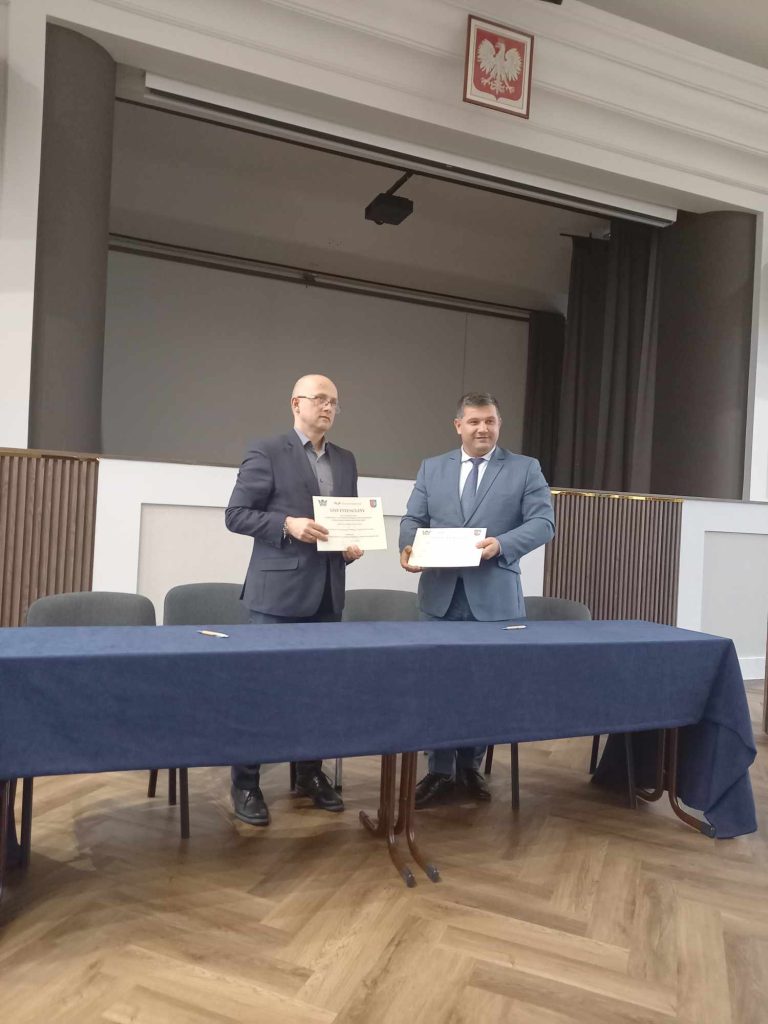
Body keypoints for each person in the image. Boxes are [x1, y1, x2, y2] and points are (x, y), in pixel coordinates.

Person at [399, 391, 555, 808]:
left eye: (490, 421)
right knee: (437, 685)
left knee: (486, 686)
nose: (482, 428)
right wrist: (408, 547)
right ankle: (439, 770)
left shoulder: (525, 468)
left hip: (495, 599)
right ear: (458, 426)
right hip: (440, 597)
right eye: (474, 421)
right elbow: (413, 519)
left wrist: (501, 545)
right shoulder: (432, 468)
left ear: (499, 424)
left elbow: (544, 522)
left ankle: (471, 766)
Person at [225, 374, 363, 826]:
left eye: (334, 402)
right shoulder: (266, 450)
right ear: (295, 403)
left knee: (318, 691)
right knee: (261, 691)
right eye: (319, 399)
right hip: (277, 595)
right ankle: (246, 782)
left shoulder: (345, 460)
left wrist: (349, 545)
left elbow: (342, 520)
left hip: (328, 592)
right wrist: (287, 524)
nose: (327, 407)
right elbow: (236, 515)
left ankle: (309, 773)